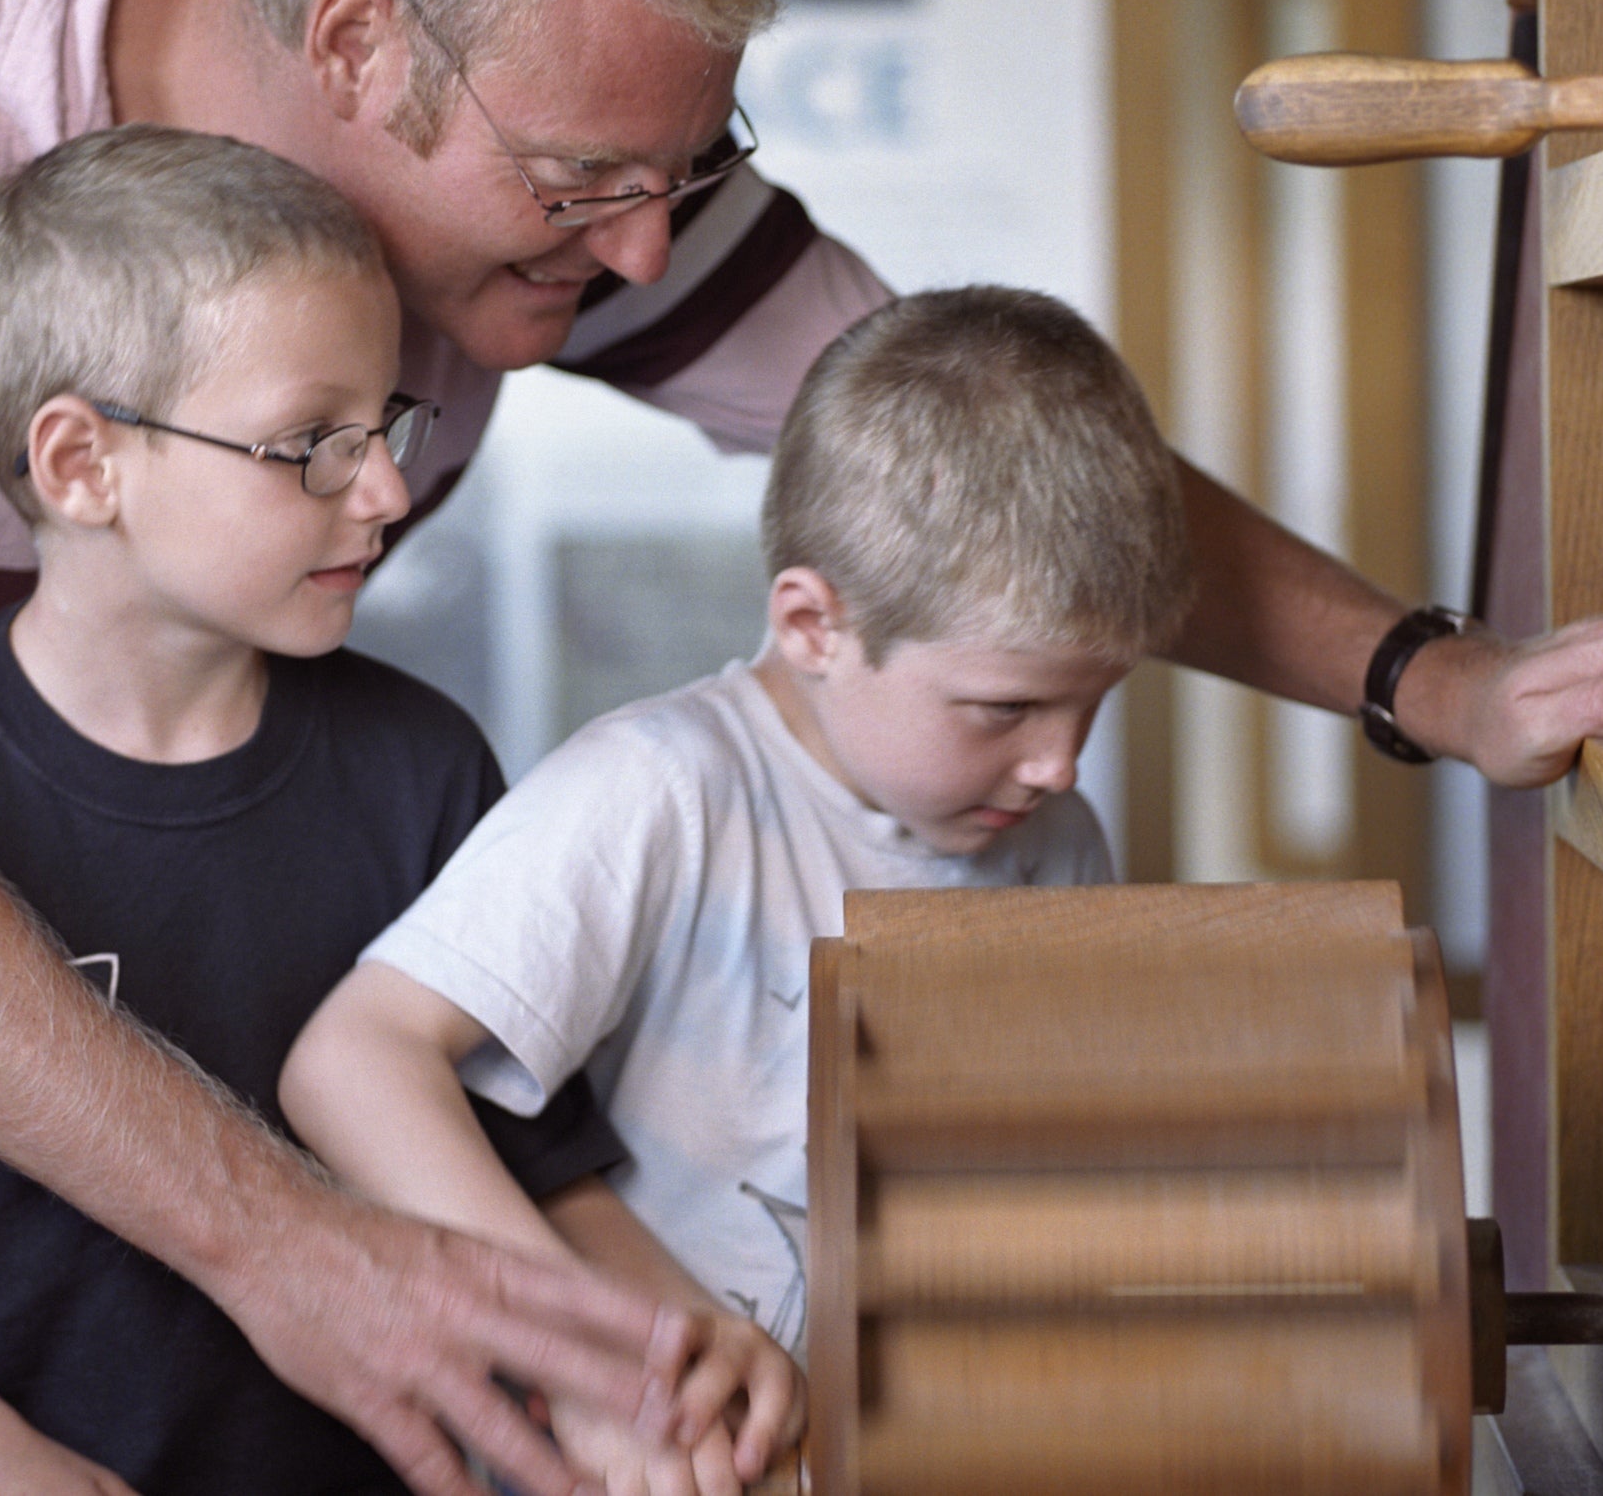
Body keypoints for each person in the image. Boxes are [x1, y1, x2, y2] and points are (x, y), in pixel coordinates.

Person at [0, 0, 1603, 1493]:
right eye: (591, 184)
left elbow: (976, 453)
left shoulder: (560, 139)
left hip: (156, 974)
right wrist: (292, 1244)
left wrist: (1431, 682)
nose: (648, 249)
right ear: (349, 45)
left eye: (689, 162)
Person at [0, 124, 731, 1496]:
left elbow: (529, 1163)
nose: (388, 492)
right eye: (312, 442)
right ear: (80, 466)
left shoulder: (422, 771)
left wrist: (670, 1354)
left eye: (384, 426)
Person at [279, 291, 1183, 1453]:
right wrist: (596, 1360)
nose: (1060, 761)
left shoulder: (1055, 841)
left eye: (1094, 701)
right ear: (812, 625)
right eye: (1002, 707)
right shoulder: (659, 790)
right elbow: (355, 1061)